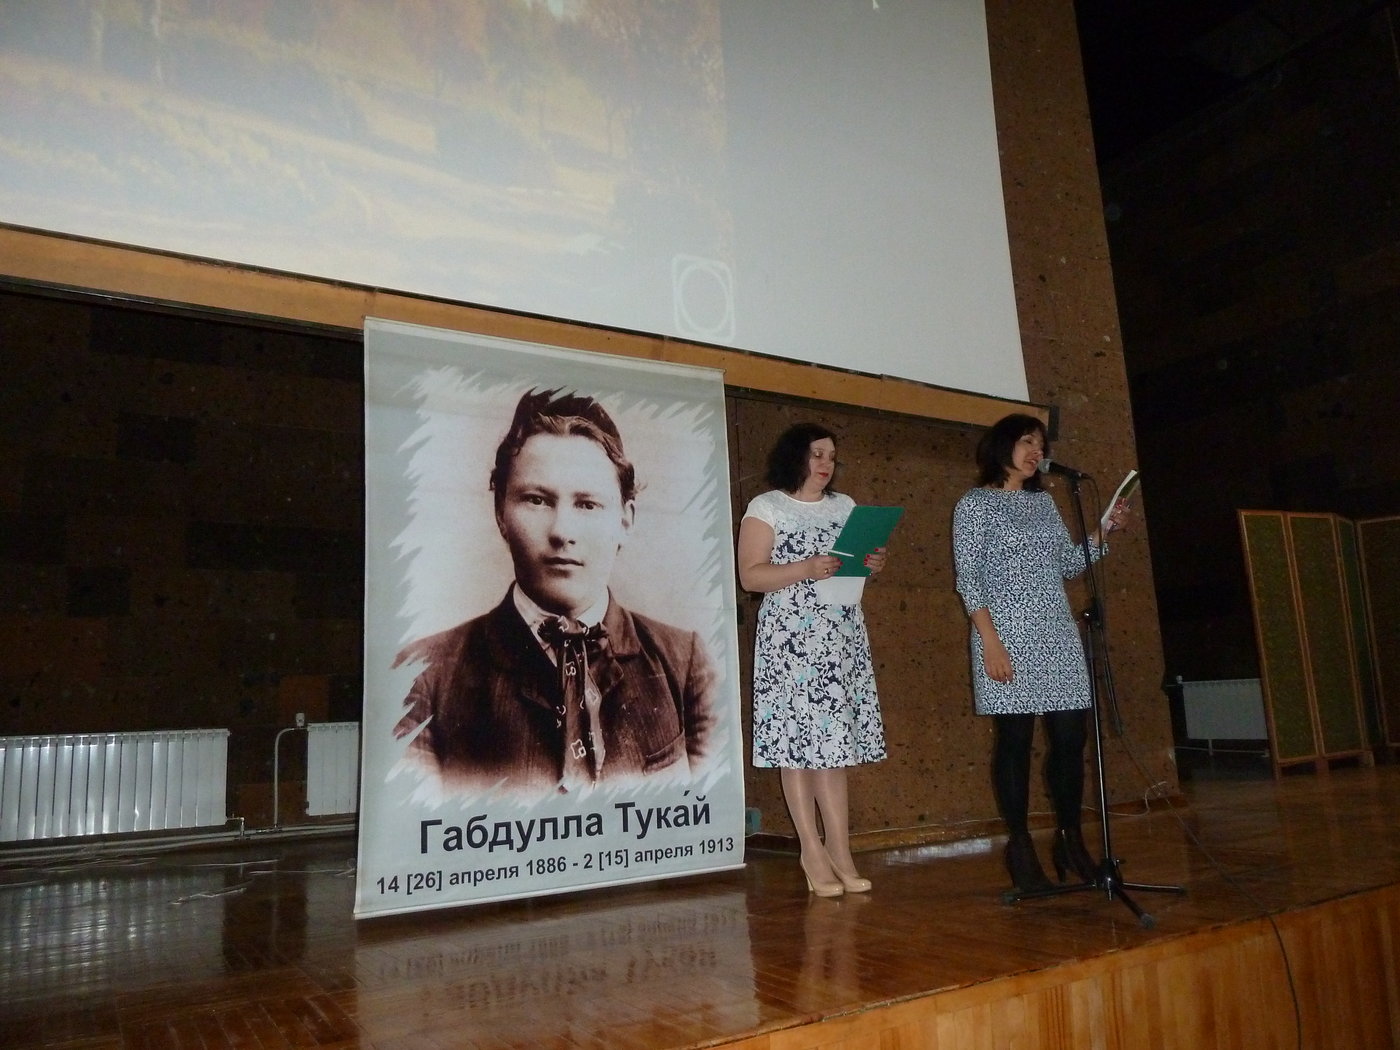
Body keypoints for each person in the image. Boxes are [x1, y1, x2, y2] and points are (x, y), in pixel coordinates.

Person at [393, 389, 715, 797]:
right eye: (537, 500)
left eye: (587, 505)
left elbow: (709, 809)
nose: (562, 531)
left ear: (625, 520)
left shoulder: (685, 663)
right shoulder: (423, 677)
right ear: (500, 513)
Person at [952, 412, 1129, 893]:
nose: (1037, 451)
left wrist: (1104, 530)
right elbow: (969, 579)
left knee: (1071, 739)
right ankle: (1020, 846)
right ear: (1003, 446)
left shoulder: (1044, 503)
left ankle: (1070, 840)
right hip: (1004, 636)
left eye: (1041, 444)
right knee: (1015, 741)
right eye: (1028, 442)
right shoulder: (975, 504)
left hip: (1056, 635)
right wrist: (991, 644)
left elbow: (1067, 564)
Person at [737, 423, 888, 897]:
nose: (826, 464)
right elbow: (751, 577)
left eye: (832, 457)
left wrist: (870, 563)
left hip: (840, 637)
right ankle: (811, 851)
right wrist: (806, 568)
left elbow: (852, 567)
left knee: (834, 747)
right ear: (795, 456)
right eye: (817, 454)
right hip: (790, 642)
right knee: (796, 745)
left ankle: (840, 848)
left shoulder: (845, 507)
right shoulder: (767, 506)